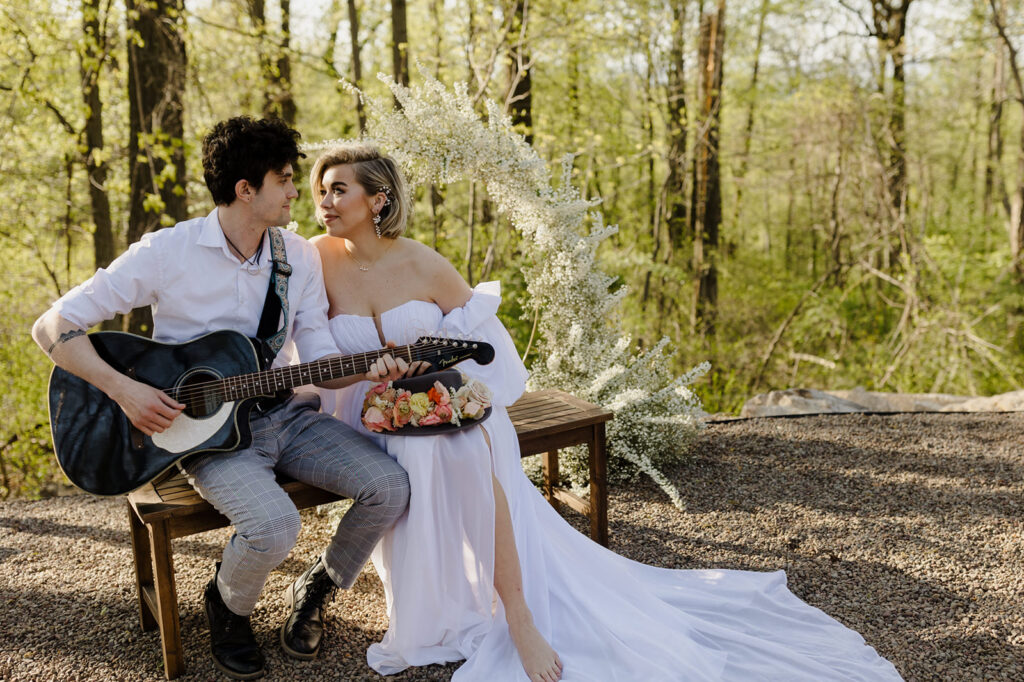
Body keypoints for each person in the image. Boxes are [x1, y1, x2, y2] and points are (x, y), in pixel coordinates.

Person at [308, 142, 904, 681]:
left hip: (447, 405)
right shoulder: (316, 261)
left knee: (462, 446)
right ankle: (436, 607)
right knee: (420, 449)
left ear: (378, 198)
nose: (326, 200)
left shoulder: (424, 263)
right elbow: (309, 349)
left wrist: (442, 385)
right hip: (373, 414)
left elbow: (492, 358)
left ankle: (519, 615)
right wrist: (367, 373)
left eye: (340, 188)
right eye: (320, 188)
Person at [31, 117, 414, 681]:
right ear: (245, 190)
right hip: (204, 435)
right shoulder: (168, 251)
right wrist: (126, 390)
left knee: (390, 487)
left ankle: (317, 586)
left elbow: (319, 358)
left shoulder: (297, 258)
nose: (295, 192)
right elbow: (51, 326)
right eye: (284, 180)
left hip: (285, 413)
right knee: (274, 526)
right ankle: (227, 607)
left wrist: (371, 368)